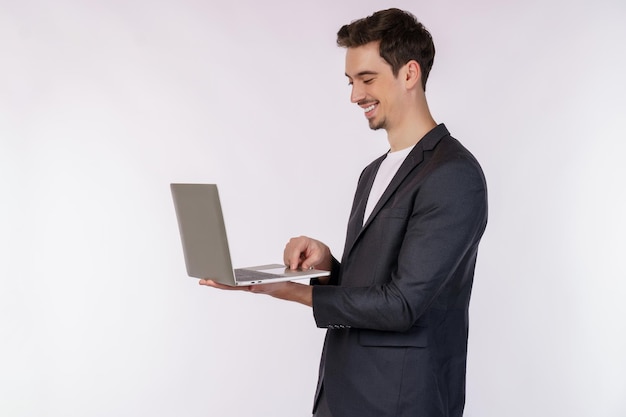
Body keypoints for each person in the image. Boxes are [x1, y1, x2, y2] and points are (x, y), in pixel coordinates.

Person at [201, 8, 488, 417]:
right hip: (341, 395)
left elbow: (403, 303)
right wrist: (327, 267)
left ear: (410, 74)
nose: (355, 95)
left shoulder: (453, 174)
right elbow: (374, 285)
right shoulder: (373, 173)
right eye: (351, 82)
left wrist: (298, 293)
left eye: (367, 79)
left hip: (401, 402)